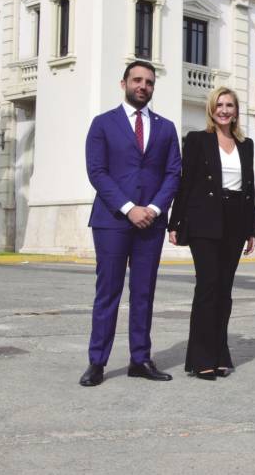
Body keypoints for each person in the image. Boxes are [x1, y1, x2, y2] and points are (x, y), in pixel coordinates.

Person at [80, 61, 181, 386]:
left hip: (151, 223)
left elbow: (173, 173)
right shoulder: (102, 124)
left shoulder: (166, 128)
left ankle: (140, 358)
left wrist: (151, 208)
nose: (143, 86)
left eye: (149, 82)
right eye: (137, 80)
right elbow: (97, 172)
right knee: (107, 292)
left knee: (143, 293)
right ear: (123, 82)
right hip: (111, 221)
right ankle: (97, 362)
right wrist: (128, 208)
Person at [167, 87, 255, 380]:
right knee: (207, 287)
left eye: (229, 105)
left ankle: (219, 354)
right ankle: (201, 358)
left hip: (235, 220)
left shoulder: (246, 144)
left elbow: (249, 187)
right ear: (211, 109)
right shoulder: (197, 140)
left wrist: (251, 228)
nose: (224, 110)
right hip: (205, 219)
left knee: (225, 291)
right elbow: (186, 182)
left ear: (236, 110)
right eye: (219, 105)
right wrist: (175, 223)